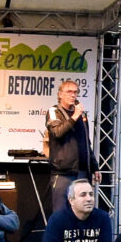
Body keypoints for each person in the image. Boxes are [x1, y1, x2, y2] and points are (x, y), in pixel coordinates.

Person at [44, 79, 95, 215]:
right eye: (69, 92)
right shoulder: (54, 111)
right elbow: (58, 132)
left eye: (75, 92)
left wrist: (94, 166)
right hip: (63, 172)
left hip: (82, 171)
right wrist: (75, 116)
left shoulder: (82, 115)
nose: (73, 95)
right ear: (60, 94)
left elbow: (86, 142)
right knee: (61, 212)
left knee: (82, 211)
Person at [42, 178, 114, 242]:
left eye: (91, 194)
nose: (89, 199)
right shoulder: (57, 219)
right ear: (71, 200)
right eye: (83, 195)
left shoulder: (103, 217)